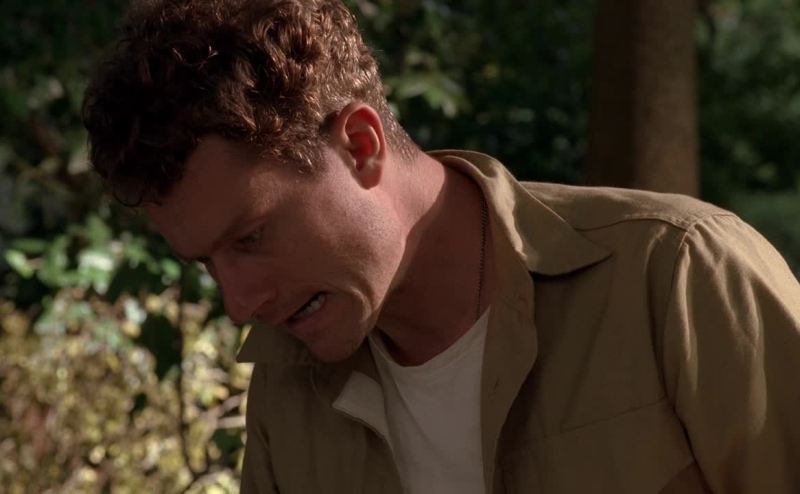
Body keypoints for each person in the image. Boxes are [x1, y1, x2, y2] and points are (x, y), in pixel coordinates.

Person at [82, 0, 800, 492]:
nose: (241, 304)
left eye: (252, 236)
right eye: (209, 263)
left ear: (360, 145)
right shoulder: (288, 389)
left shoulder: (679, 275)